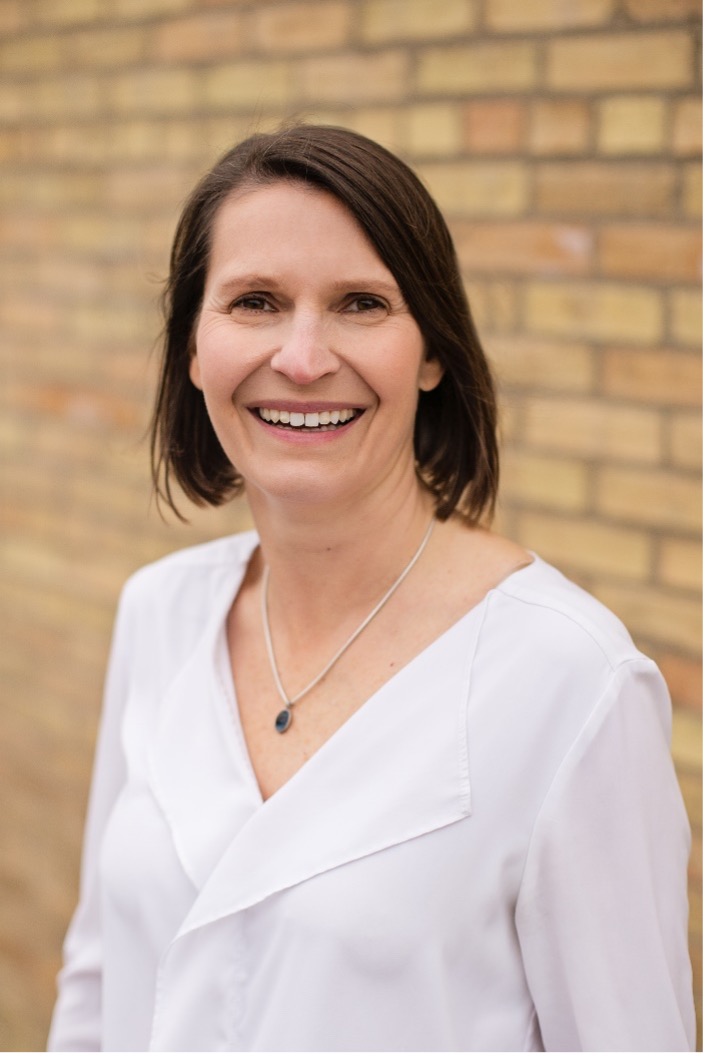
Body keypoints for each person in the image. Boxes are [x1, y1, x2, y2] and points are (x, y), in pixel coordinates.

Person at [48, 124, 694, 1052]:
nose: (303, 357)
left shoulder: (571, 681)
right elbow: (99, 980)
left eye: (359, 303)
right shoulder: (159, 611)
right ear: (194, 349)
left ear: (431, 352)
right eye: (256, 301)